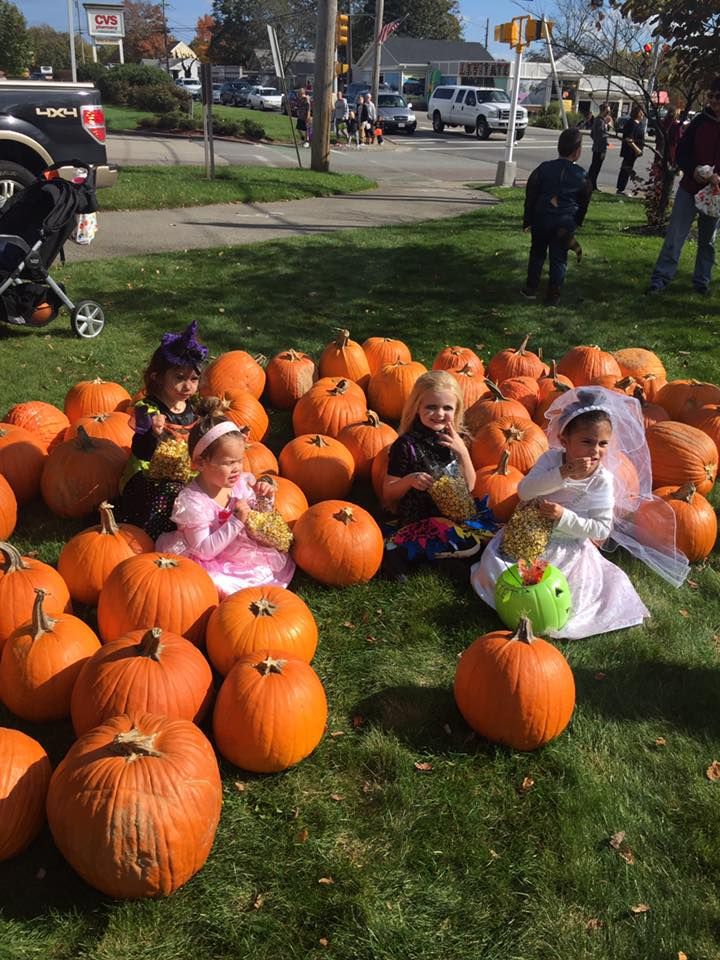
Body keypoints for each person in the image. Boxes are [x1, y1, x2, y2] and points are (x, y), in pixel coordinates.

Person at [470, 387, 689, 639]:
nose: (595, 451)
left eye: (602, 444)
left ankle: (543, 609)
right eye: (587, 442)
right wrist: (564, 473)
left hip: (568, 544)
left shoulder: (601, 481)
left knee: (567, 589)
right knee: (498, 568)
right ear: (565, 441)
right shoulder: (551, 460)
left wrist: (563, 516)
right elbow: (525, 490)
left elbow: (601, 529)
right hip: (528, 533)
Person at [156, 401, 295, 597]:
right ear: (200, 463)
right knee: (216, 583)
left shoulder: (239, 483)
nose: (237, 468)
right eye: (229, 463)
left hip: (237, 549)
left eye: (239, 460)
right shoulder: (193, 501)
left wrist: (265, 499)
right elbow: (203, 550)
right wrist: (236, 521)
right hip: (208, 557)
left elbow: (258, 518)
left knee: (264, 567)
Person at [381, 371, 496, 581]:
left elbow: (469, 486)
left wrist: (462, 452)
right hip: (421, 515)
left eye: (447, 408)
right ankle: (407, 557)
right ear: (417, 407)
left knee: (479, 541)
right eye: (431, 407)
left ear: (457, 410)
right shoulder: (406, 445)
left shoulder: (455, 440)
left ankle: (450, 558)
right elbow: (388, 491)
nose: (439, 413)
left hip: (454, 513)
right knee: (430, 544)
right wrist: (410, 480)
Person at [118, 320, 206, 539]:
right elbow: (140, 450)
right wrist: (152, 433)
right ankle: (153, 536)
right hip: (149, 476)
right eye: (179, 378)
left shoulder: (192, 407)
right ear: (157, 377)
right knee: (171, 495)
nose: (188, 386)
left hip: (182, 471)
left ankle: (199, 532)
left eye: (194, 379)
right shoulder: (145, 408)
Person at [648, 79, 720, 296]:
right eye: (711, 96)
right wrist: (694, 170)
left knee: (707, 242)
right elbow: (681, 153)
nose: (714, 101)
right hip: (690, 188)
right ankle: (660, 280)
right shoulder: (699, 122)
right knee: (675, 237)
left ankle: (702, 283)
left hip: (715, 194)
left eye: (718, 97)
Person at [521, 127, 592, 306]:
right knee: (559, 257)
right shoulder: (582, 176)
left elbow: (531, 195)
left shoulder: (543, 169)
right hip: (564, 223)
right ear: (577, 152)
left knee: (537, 253)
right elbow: (584, 201)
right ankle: (553, 294)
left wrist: (528, 220)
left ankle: (531, 288)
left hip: (542, 219)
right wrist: (577, 220)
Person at [616, 104, 645, 194]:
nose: (643, 115)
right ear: (637, 113)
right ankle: (620, 189)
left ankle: (622, 188)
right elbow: (629, 139)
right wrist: (637, 150)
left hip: (635, 153)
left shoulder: (640, 124)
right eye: (641, 113)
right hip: (630, 151)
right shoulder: (631, 123)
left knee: (628, 168)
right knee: (626, 168)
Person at [588, 102, 613, 191]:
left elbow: (592, 134)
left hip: (597, 147)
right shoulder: (600, 121)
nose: (608, 113)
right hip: (599, 148)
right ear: (603, 111)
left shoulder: (598, 120)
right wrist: (603, 149)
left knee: (594, 167)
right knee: (595, 167)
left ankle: (591, 184)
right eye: (607, 111)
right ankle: (591, 185)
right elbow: (601, 136)